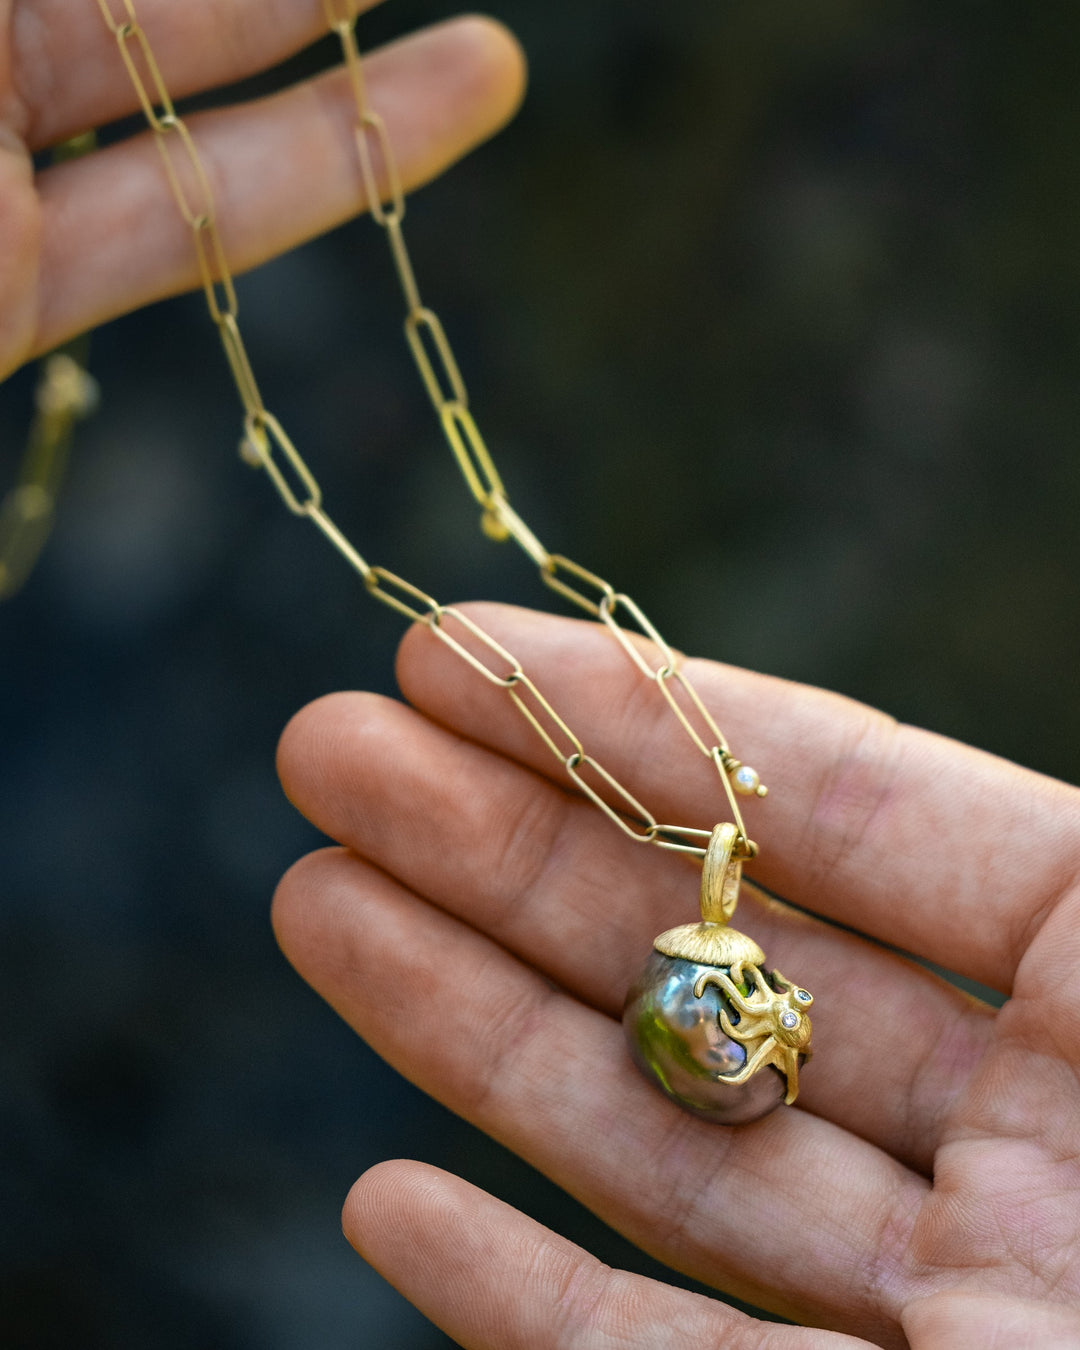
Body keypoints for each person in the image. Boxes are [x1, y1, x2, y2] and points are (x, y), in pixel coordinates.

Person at [9, 3, 1080, 1345]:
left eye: (770, 1017)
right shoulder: (718, 976)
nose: (791, 1008)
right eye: (777, 1010)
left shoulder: (718, 976)